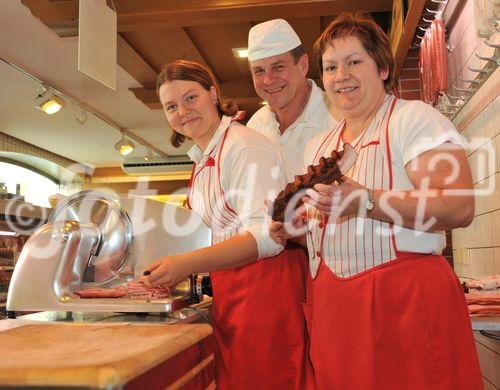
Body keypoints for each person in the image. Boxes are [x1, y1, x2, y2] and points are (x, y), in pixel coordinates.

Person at [270, 13, 483, 389]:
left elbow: (458, 207)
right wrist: (297, 231)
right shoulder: (320, 144)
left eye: (355, 62)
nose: (341, 76)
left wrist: (367, 200)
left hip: (404, 306)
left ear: (383, 68)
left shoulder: (417, 120)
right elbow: (331, 236)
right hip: (334, 310)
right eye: (331, 66)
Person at [141, 60, 309, 389]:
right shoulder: (203, 157)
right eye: (171, 106)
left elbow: (268, 237)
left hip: (267, 295)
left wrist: (185, 264)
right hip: (232, 294)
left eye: (191, 98)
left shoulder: (244, 146)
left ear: (213, 93)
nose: (182, 111)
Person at [247, 19, 338, 181]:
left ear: (303, 65)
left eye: (278, 67)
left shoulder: (338, 116)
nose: (268, 80)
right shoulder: (254, 126)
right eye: (259, 71)